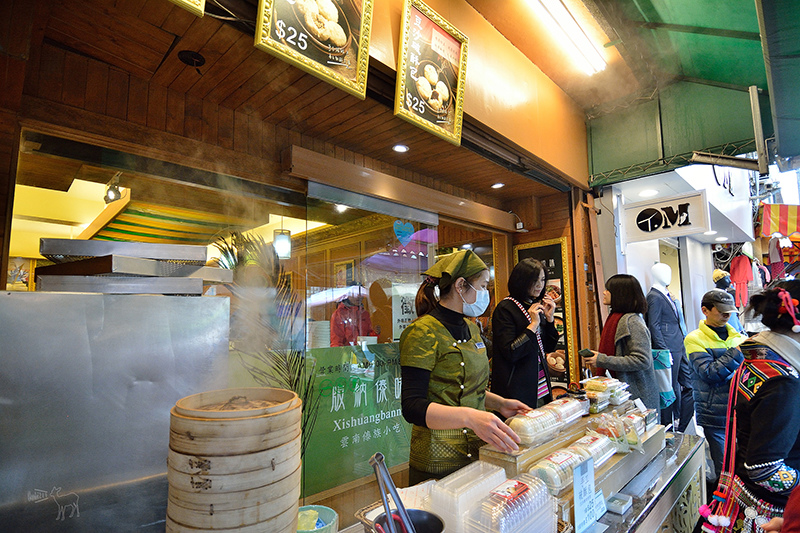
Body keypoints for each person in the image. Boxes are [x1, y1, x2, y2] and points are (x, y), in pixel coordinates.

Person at [399, 250, 529, 484]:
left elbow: (465, 386)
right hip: (437, 460)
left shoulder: (472, 328)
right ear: (461, 285)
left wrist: (500, 403)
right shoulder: (421, 331)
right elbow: (412, 406)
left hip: (479, 450)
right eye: (482, 285)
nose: (485, 293)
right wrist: (469, 417)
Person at [727, 282, 800, 527]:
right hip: (775, 512)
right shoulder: (784, 381)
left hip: (751, 497)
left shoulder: (762, 358)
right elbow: (764, 468)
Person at [683, 288, 747, 485]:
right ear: (705, 310)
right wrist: (737, 352)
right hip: (714, 414)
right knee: (725, 471)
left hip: (741, 413)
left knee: (743, 468)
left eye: (729, 311)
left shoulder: (739, 337)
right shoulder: (694, 339)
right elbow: (710, 373)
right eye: (721, 311)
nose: (727, 315)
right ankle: (722, 510)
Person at [581, 274, 659, 410]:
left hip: (636, 398)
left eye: (608, 289)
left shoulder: (632, 322)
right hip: (623, 395)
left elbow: (642, 360)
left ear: (620, 294)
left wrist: (602, 360)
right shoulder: (617, 318)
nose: (604, 293)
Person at [491, 258, 558, 409]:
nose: (540, 285)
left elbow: (549, 347)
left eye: (542, 280)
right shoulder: (505, 308)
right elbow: (511, 352)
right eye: (534, 280)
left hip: (540, 384)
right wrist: (533, 325)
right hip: (515, 390)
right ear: (521, 281)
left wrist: (550, 318)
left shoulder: (535, 305)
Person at [645, 262, 695, 431]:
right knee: (668, 390)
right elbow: (654, 325)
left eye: (669, 271)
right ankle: (667, 428)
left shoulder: (667, 295)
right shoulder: (654, 297)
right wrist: (663, 350)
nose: (668, 275)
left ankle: (681, 424)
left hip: (678, 346)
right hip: (668, 349)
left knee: (689, 386)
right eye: (663, 272)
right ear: (655, 274)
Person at [714, 268, 745, 333]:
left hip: (735, 331)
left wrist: (741, 329)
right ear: (719, 280)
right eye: (727, 278)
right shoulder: (714, 296)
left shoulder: (729, 295)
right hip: (725, 332)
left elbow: (734, 315)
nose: (730, 281)